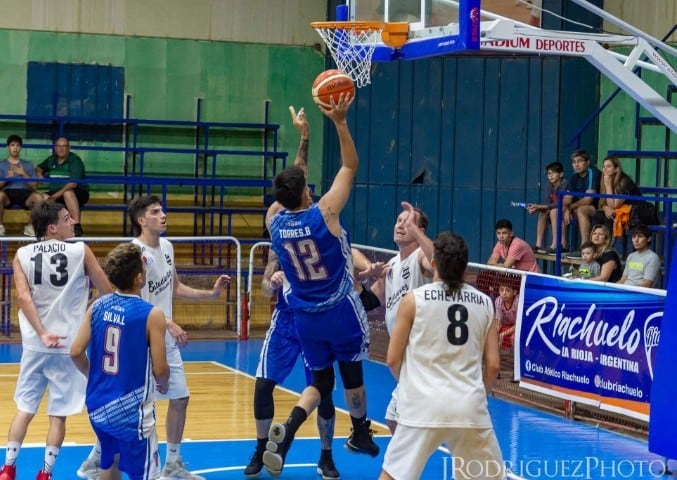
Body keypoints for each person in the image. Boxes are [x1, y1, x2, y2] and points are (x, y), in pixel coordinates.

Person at [263, 93, 380, 477]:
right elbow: (350, 164)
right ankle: (360, 432)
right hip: (338, 309)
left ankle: (289, 429)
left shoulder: (274, 221)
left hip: (304, 317)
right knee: (352, 377)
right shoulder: (325, 212)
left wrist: (303, 139)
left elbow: (290, 184)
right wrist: (340, 122)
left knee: (320, 382)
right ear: (307, 192)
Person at [77, 195, 230, 480]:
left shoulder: (168, 247)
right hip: (142, 337)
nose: (163, 215)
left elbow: (174, 287)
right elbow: (137, 302)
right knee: (129, 405)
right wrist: (168, 323)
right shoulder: (134, 253)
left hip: (162, 333)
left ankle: (172, 462)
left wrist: (211, 293)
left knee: (180, 397)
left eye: (162, 210)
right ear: (141, 220)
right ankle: (99, 455)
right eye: (155, 211)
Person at [0, 201, 112, 480]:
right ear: (52, 228)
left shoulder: (21, 254)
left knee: (24, 410)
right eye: (66, 218)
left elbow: (24, 298)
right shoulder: (80, 250)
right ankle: (45, 473)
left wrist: (41, 333)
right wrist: (89, 310)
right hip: (68, 347)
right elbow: (107, 290)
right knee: (58, 416)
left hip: (36, 345)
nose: (73, 221)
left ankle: (8, 468)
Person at [379, 231, 503, 480]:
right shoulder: (484, 303)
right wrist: (479, 394)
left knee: (392, 475)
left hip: (423, 405)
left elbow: (392, 359)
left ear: (433, 262)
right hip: (468, 405)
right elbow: (493, 366)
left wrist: (410, 386)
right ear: (466, 266)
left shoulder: (414, 299)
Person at [70, 243, 170, 480]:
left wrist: (93, 376)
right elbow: (160, 368)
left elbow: (75, 352)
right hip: (131, 414)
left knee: (110, 464)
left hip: (98, 407)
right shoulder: (151, 313)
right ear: (138, 278)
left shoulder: (97, 305)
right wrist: (164, 384)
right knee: (147, 475)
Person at [368, 202, 434, 433]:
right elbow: (367, 300)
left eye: (408, 223)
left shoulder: (420, 258)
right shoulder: (393, 264)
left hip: (421, 350)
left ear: (420, 231)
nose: (401, 225)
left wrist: (417, 234)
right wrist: (359, 278)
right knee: (394, 421)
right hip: (405, 353)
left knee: (402, 421)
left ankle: (404, 465)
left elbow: (437, 262)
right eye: (398, 221)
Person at [36, 137, 89, 237]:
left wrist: (54, 196)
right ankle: (42, 228)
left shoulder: (75, 160)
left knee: (67, 192)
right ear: (55, 148)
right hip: (56, 192)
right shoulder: (52, 160)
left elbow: (73, 183)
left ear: (69, 148)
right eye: (58, 146)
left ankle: (76, 226)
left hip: (78, 192)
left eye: (64, 146)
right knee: (39, 197)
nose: (61, 149)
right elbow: (39, 168)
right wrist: (40, 175)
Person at [0, 135, 46, 237]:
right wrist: (7, 178)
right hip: (7, 194)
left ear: (20, 148)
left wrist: (23, 174)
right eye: (12, 145)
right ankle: (0, 227)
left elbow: (34, 186)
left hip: (25, 193)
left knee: (39, 198)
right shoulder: (1, 164)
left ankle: (30, 227)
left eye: (17, 145)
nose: (15, 148)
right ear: (8, 147)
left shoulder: (28, 164)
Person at [592, 155, 642, 239]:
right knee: (598, 215)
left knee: (611, 217)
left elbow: (614, 205)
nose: (605, 169)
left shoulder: (624, 181)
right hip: (618, 210)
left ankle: (607, 247)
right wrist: (605, 208)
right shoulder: (605, 179)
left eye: (609, 166)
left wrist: (608, 185)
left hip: (633, 213)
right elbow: (602, 202)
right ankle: (595, 245)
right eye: (604, 166)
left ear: (616, 169)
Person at [563, 149, 601, 258]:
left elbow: (588, 199)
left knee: (581, 209)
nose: (576, 164)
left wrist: (570, 207)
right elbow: (567, 198)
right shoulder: (574, 177)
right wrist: (566, 208)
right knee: (558, 210)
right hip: (583, 207)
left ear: (588, 162)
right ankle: (562, 245)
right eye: (574, 162)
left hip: (599, 208)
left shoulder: (592, 173)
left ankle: (584, 248)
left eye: (579, 161)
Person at [527, 161, 569, 254]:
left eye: (554, 173)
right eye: (549, 174)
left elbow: (560, 203)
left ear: (561, 174)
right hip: (556, 210)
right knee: (543, 212)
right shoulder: (548, 185)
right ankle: (538, 244)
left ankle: (556, 244)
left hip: (568, 210)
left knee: (554, 211)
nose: (551, 176)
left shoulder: (565, 184)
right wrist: (537, 208)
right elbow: (548, 203)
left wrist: (539, 206)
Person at [494, 273, 520, 351]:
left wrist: (503, 334)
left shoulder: (518, 301)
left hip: (520, 327)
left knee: (513, 338)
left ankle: (514, 360)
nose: (504, 293)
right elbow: (498, 322)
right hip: (508, 326)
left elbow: (519, 324)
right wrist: (496, 333)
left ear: (514, 292)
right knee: (495, 336)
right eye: (501, 290)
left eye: (507, 290)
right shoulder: (498, 301)